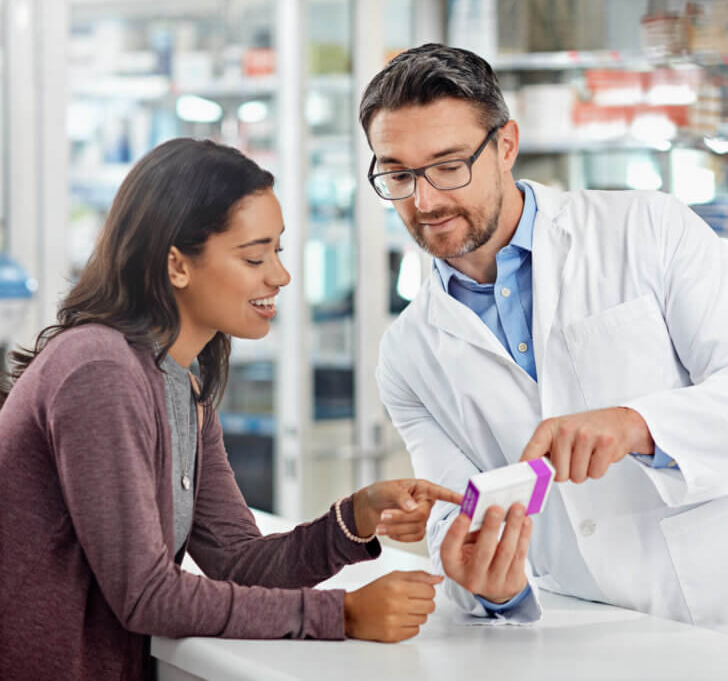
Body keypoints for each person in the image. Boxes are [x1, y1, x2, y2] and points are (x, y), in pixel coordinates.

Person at [361, 44, 728, 648]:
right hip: (588, 635)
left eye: (449, 166)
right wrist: (488, 587)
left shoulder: (648, 228)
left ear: (505, 145)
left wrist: (636, 425)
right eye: (398, 174)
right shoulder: (407, 355)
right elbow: (456, 513)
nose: (425, 201)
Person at [0, 138, 461, 679]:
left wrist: (355, 517)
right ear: (177, 264)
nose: (280, 276)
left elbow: (239, 562)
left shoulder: (182, 380)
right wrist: (343, 614)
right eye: (253, 256)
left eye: (278, 251)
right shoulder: (99, 369)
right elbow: (146, 595)